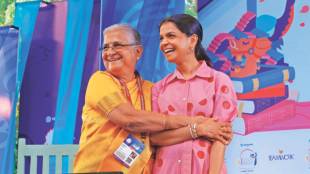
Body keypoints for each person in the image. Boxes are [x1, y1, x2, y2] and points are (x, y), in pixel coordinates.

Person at [73, 24, 233, 173]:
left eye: (117, 45)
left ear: (138, 52)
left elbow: (159, 136)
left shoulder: (153, 89)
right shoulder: (100, 80)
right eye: (105, 47)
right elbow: (128, 119)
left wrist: (205, 130)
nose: (109, 52)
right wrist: (196, 123)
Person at [151, 14, 238, 174]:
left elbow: (221, 137)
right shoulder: (159, 88)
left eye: (170, 36)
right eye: (161, 38)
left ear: (192, 40)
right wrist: (197, 129)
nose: (164, 43)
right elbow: (155, 138)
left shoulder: (219, 81)